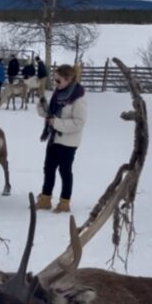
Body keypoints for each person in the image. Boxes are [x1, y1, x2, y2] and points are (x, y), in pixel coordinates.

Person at [35, 63, 87, 213]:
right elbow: (49, 114)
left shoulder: (78, 99)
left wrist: (56, 123)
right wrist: (42, 105)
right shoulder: (58, 94)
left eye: (58, 80)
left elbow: (79, 123)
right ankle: (45, 199)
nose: (55, 83)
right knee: (48, 169)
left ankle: (64, 203)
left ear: (68, 79)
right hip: (54, 139)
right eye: (55, 79)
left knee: (65, 171)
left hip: (68, 143)